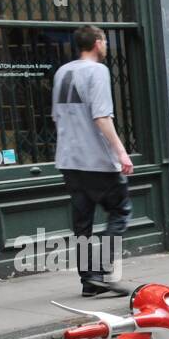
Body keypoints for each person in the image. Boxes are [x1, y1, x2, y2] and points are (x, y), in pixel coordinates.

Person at [52, 24, 134, 297]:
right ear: (97, 43)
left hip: (68, 159)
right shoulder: (97, 71)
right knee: (120, 211)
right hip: (96, 160)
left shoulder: (63, 72)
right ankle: (103, 272)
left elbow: (57, 117)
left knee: (83, 222)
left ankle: (89, 281)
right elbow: (101, 117)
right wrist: (121, 152)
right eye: (105, 41)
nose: (107, 45)